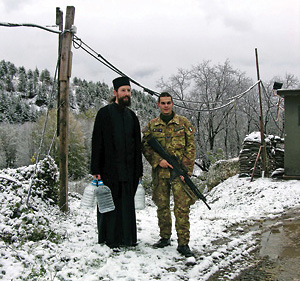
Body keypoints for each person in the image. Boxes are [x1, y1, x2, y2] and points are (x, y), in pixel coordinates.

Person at [142, 92, 196, 257]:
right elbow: (145, 146)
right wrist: (159, 161)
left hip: (178, 173)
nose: (166, 105)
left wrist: (185, 171)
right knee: (162, 206)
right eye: (163, 103)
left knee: (182, 208)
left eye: (168, 103)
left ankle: (183, 243)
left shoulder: (183, 123)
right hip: (160, 173)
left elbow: (191, 147)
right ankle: (165, 237)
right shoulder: (152, 125)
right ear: (158, 105)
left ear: (172, 104)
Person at [91, 76, 143, 249]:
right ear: (115, 93)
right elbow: (96, 142)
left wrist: (139, 170)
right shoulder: (104, 114)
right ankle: (110, 239)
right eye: (123, 91)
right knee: (110, 205)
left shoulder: (132, 117)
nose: (126, 94)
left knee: (127, 205)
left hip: (129, 171)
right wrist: (95, 168)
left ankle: (127, 239)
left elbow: (137, 146)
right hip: (109, 170)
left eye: (128, 91)